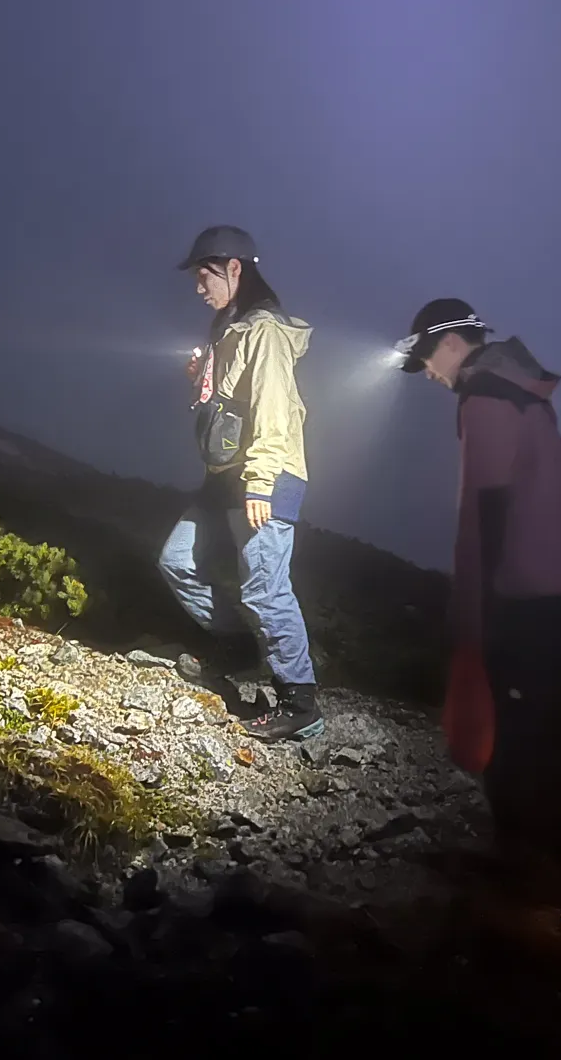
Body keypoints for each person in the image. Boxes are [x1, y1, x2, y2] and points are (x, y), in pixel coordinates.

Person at [395, 298, 561, 915]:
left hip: (525, 583)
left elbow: (487, 506)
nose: (429, 375)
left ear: (448, 344)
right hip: (560, 574)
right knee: (539, 716)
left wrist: (472, 611)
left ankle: (547, 865)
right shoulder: (517, 387)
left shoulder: (485, 394)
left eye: (425, 359)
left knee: (516, 724)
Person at [157, 225, 323, 743]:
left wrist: (260, 482)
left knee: (265, 587)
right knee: (177, 559)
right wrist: (200, 377)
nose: (198, 287)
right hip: (224, 478)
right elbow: (230, 402)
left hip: (264, 475)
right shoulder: (228, 329)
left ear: (235, 268)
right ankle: (237, 648)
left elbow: (276, 410)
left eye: (205, 274)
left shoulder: (264, 330)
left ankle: (300, 703)